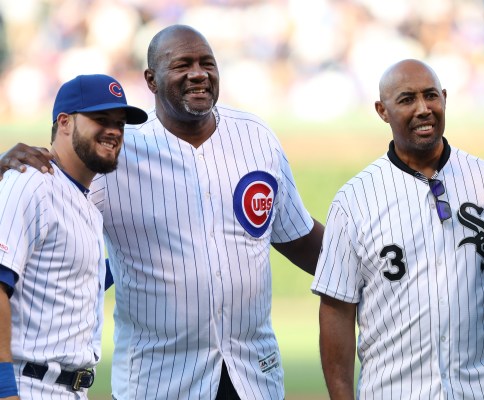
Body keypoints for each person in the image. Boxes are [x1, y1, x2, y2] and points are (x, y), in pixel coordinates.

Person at [0, 25, 324, 400]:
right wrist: (5, 168)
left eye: (207, 63)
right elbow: (53, 200)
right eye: (183, 64)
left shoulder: (256, 137)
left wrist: (367, 276)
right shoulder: (115, 155)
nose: (198, 73)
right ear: (152, 81)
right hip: (158, 383)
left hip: (252, 374)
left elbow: (298, 236)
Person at [311, 59, 484, 399]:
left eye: (431, 96)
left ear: (445, 99)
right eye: (407, 99)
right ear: (382, 110)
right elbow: (337, 311)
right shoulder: (354, 199)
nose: (423, 109)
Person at [0, 74, 148, 399]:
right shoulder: (32, 182)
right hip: (27, 386)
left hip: (68, 390)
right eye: (101, 119)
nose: (114, 130)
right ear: (64, 122)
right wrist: (4, 389)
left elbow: (68, 281)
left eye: (120, 123)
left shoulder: (85, 203)